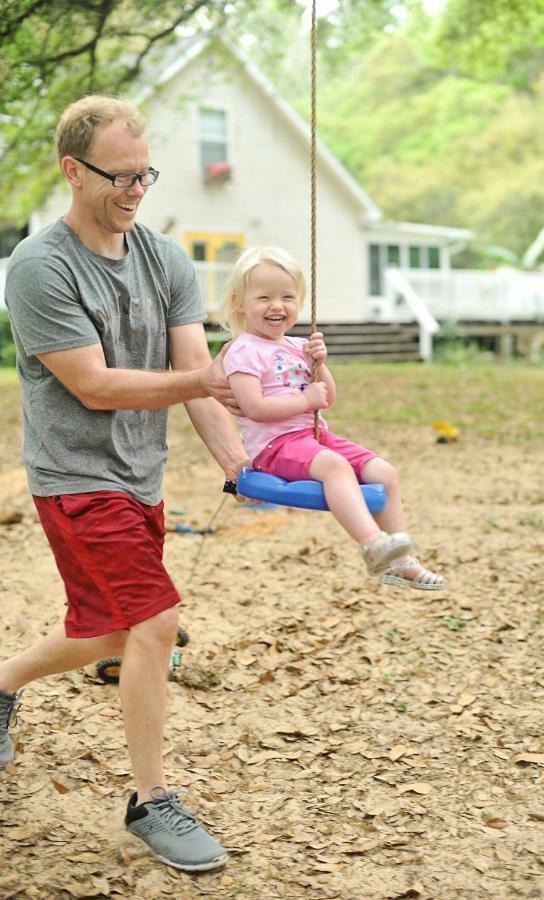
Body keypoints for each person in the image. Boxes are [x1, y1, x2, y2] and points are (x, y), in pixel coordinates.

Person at [0, 95, 251, 872]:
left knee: (115, 629)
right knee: (157, 621)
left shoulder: (164, 258)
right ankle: (151, 800)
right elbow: (96, 387)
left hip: (138, 476)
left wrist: (242, 465)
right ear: (73, 170)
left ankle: (2, 682)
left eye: (146, 175)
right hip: (75, 477)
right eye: (120, 176)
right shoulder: (38, 268)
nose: (136, 191)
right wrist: (204, 383)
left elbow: (192, 375)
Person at [220, 246, 447, 590]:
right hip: (274, 447)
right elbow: (254, 408)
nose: (277, 305)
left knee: (384, 473)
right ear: (239, 301)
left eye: (287, 296)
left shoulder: (299, 345)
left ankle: (401, 558)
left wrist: (320, 366)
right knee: (335, 467)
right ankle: (372, 544)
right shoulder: (243, 350)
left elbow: (327, 398)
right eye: (264, 297)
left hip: (312, 437)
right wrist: (304, 399)